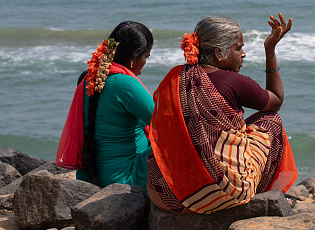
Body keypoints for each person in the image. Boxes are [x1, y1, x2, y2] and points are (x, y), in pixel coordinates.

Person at [147, 14, 298, 214]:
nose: (243, 54)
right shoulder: (235, 82)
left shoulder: (175, 78)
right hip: (222, 194)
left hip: (167, 194)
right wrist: (270, 50)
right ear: (219, 53)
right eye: (238, 48)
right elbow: (276, 101)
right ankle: (260, 196)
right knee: (271, 121)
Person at [74, 21, 154, 189]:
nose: (146, 62)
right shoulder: (125, 84)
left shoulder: (90, 78)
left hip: (91, 174)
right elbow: (165, 122)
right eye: (146, 56)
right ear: (133, 58)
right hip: (124, 176)